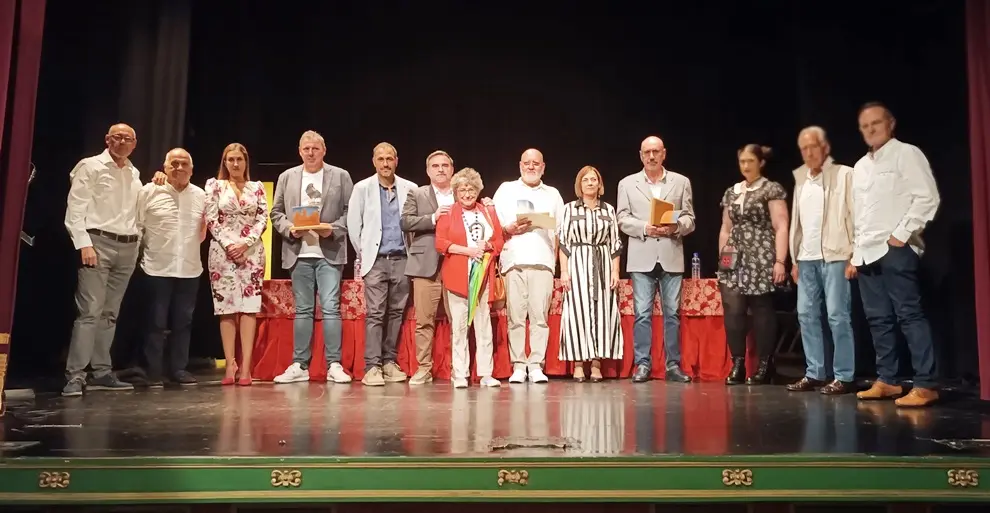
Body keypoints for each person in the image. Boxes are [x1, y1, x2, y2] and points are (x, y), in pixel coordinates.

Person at [852, 102, 941, 407]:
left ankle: (926, 383)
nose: (870, 130)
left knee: (909, 315)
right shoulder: (861, 166)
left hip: (894, 249)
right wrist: (855, 253)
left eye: (876, 123)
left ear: (890, 124)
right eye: (865, 126)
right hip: (866, 252)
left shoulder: (906, 153)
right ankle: (888, 380)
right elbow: (859, 214)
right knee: (878, 319)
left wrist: (901, 235)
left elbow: (927, 197)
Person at [62, 123, 143, 397]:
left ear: (135, 143)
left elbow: (136, 212)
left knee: (110, 313)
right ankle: (75, 375)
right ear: (107, 139)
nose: (122, 141)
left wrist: (138, 238)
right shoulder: (91, 166)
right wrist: (84, 243)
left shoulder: (134, 173)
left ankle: (101, 371)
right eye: (117, 137)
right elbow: (75, 209)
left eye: (128, 138)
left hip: (128, 246)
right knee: (90, 311)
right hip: (98, 242)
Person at [271, 131, 354, 385]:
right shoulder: (287, 177)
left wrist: (333, 229)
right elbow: (276, 212)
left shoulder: (340, 176)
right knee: (303, 310)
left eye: (315, 148)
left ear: (324, 150)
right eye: (306, 148)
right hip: (299, 252)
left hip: (328, 252)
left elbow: (351, 211)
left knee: (331, 309)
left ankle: (334, 364)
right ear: (299, 151)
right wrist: (288, 229)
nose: (310, 152)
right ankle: (299, 365)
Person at [616, 136, 695, 383]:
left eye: (656, 152)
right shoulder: (627, 183)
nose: (651, 156)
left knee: (672, 313)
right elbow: (622, 218)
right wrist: (645, 227)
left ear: (664, 154)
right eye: (647, 152)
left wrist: (675, 227)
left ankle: (673, 365)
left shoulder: (681, 182)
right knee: (642, 313)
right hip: (642, 255)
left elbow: (690, 218)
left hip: (671, 253)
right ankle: (642, 364)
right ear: (641, 155)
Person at [786, 126, 857, 395]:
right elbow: (798, 224)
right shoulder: (801, 179)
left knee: (838, 315)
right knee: (806, 315)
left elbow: (855, 215)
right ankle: (815, 372)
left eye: (812, 147)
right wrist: (794, 259)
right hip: (806, 259)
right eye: (803, 148)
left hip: (836, 255)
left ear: (825, 147)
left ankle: (844, 375)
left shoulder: (844, 174)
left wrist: (855, 255)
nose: (808, 153)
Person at [717, 144, 789, 385]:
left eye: (750, 161)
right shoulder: (732, 191)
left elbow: (781, 226)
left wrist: (780, 261)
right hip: (734, 254)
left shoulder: (770, 189)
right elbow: (726, 228)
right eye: (742, 161)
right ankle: (737, 364)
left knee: (761, 308)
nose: (745, 166)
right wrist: (722, 258)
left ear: (761, 162)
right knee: (733, 308)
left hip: (761, 254)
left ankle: (765, 365)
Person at [492, 148, 565, 384]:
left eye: (536, 163)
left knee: (539, 317)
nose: (531, 167)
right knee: (515, 317)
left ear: (543, 167)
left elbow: (560, 232)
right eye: (527, 163)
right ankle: (518, 365)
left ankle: (535, 364)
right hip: (513, 260)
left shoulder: (553, 194)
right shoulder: (506, 189)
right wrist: (509, 227)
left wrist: (556, 263)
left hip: (543, 261)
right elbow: (494, 223)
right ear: (520, 165)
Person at [347, 142, 417, 386]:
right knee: (376, 313)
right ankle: (372, 366)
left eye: (389, 159)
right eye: (381, 159)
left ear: (396, 161)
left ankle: (389, 362)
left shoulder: (410, 188)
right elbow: (354, 226)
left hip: (402, 259)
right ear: (374, 161)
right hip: (376, 261)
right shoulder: (362, 188)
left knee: (396, 312)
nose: (385, 163)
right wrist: (366, 253)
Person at [136, 148, 206, 387]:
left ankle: (178, 368)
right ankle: (153, 371)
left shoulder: (201, 195)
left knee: (183, 322)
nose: (179, 168)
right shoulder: (148, 191)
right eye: (173, 164)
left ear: (192, 169)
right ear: (164, 168)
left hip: (189, 268)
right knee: (155, 322)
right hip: (157, 267)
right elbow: (137, 226)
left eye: (184, 163)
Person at [205, 143, 269, 386]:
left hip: (251, 253)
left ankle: (246, 366)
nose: (234, 164)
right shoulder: (215, 186)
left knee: (249, 308)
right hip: (222, 253)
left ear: (245, 162)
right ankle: (230, 363)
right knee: (227, 309)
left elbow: (263, 218)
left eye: (239, 159)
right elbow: (211, 218)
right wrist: (230, 245)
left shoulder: (257, 188)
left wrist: (245, 243)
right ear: (225, 162)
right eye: (230, 159)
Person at [435, 168, 504, 388]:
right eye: (463, 189)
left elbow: (499, 241)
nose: (467, 193)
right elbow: (440, 244)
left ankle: (486, 374)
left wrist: (489, 246)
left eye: (471, 189)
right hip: (457, 280)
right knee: (460, 328)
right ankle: (460, 373)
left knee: (484, 325)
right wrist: (468, 251)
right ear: (456, 192)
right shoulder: (447, 213)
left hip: (483, 278)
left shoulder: (487, 211)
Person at [558, 166, 623, 382]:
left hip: (602, 262)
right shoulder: (569, 209)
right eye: (585, 179)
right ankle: (578, 363)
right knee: (578, 312)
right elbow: (564, 242)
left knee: (602, 312)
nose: (590, 183)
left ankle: (596, 363)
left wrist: (615, 271)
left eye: (593, 179)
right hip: (577, 261)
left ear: (599, 184)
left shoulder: (608, 210)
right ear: (579, 184)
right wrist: (564, 271)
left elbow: (615, 242)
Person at [400, 150, 455, 385]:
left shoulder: (462, 192)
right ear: (428, 171)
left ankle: (457, 368)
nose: (440, 169)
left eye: (445, 165)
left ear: (452, 169)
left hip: (456, 263)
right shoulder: (417, 193)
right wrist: (432, 218)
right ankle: (424, 368)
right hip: (425, 264)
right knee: (424, 320)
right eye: (435, 166)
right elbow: (405, 221)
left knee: (458, 320)